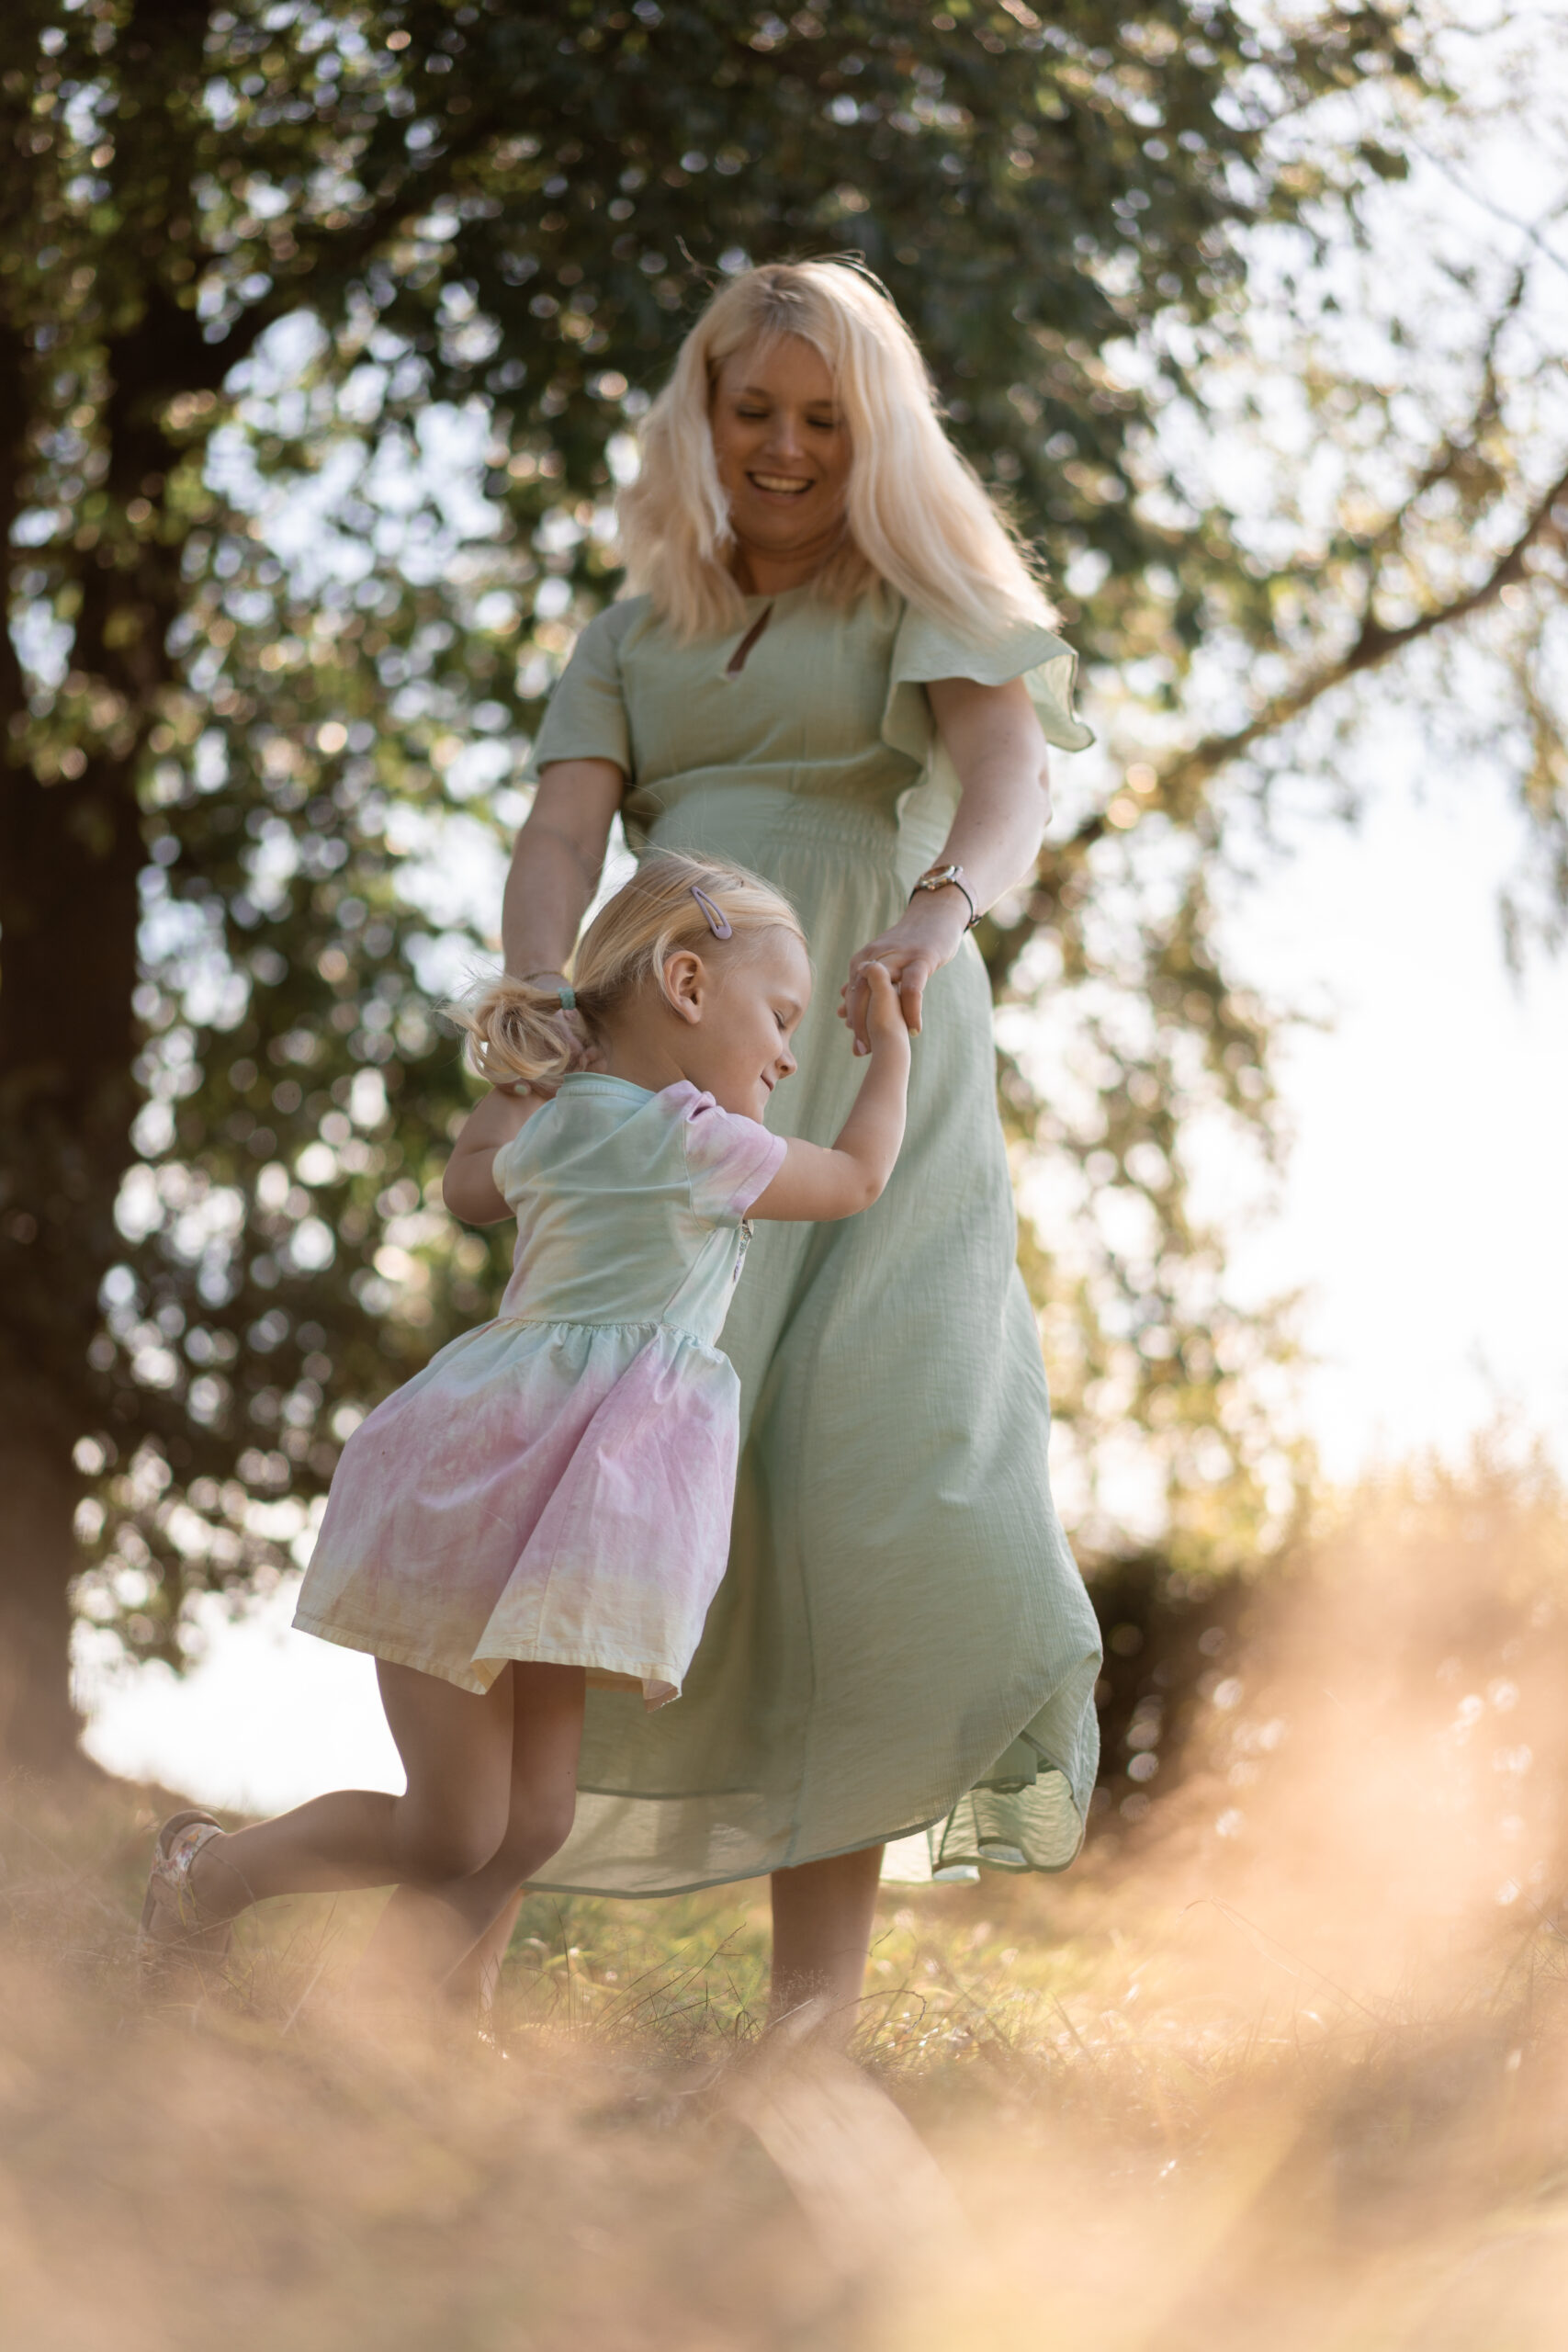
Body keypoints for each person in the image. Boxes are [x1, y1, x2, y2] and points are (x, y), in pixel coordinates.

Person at [492, 260, 1104, 2034]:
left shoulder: (923, 580)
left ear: (874, 427)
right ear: (700, 413)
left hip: (874, 1038)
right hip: (672, 1054)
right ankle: (447, 1891)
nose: (780, 447)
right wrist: (543, 1001)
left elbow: (1006, 783)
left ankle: (807, 2038)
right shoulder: (630, 630)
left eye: (821, 418)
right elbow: (559, 833)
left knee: (875, 1467)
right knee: (643, 1464)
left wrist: (937, 914)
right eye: (750, 409)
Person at [139, 851, 912, 1996]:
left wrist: (525, 1068)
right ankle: (208, 1877)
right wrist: (892, 1047)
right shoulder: (693, 1139)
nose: (791, 1052)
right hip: (493, 1498)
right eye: (783, 1018)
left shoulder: (558, 1119)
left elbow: (465, 1187)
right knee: (457, 1830)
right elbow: (854, 1176)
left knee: (533, 1822)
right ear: (688, 986)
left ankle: (379, 2030)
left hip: (546, 1504)